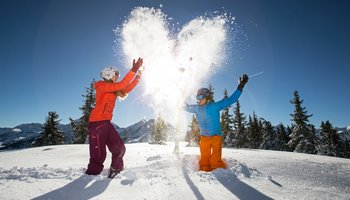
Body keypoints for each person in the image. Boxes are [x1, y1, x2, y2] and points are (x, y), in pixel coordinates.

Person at [85, 58, 143, 178]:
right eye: (115, 74)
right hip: (96, 124)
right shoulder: (102, 86)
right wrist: (133, 69)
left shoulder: (113, 90)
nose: (117, 76)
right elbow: (122, 84)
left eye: (118, 74)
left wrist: (138, 76)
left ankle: (115, 171)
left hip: (106, 123)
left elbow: (126, 88)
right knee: (98, 156)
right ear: (108, 74)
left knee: (119, 148)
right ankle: (89, 177)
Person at [184, 74, 249, 172]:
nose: (199, 99)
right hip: (204, 138)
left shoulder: (215, 106)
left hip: (216, 137)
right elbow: (186, 107)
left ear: (207, 97)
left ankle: (219, 173)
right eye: (197, 97)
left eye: (201, 97)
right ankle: (205, 176)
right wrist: (181, 97)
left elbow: (232, 99)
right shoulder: (196, 108)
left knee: (215, 162)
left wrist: (240, 86)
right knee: (204, 161)